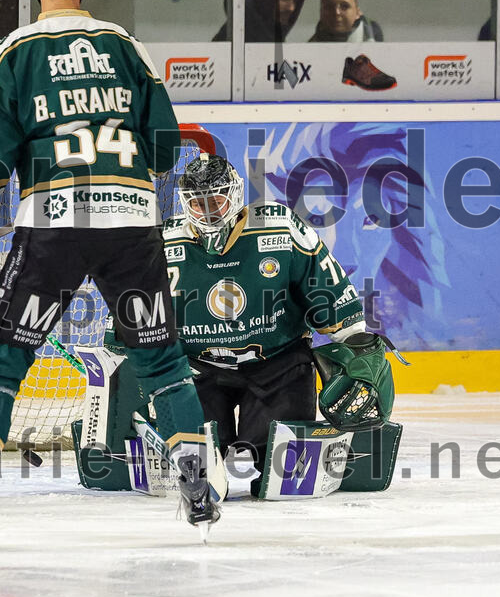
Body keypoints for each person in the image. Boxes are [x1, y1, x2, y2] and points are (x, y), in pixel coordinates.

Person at [0, 0, 213, 549]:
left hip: (52, 227)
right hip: (131, 223)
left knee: (4, 357)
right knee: (161, 359)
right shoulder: (127, 47)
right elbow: (164, 150)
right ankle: (195, 473)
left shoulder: (10, 54)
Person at [119, 153, 393, 491]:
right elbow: (134, 316)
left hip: (277, 365)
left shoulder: (281, 228)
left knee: (285, 479)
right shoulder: (162, 243)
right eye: (197, 203)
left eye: (215, 200)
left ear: (234, 196)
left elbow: (333, 298)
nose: (208, 211)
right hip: (197, 371)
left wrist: (357, 352)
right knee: (195, 467)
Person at [310, 0, 384, 43]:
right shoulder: (310, 49)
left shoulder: (375, 42)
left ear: (358, 12)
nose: (337, 13)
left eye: (344, 6)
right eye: (329, 7)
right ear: (321, 12)